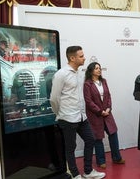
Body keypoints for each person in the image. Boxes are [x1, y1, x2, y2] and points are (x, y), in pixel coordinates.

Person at [50, 46, 105, 179]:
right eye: (81, 56)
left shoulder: (80, 73)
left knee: (91, 139)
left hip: (81, 116)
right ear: (72, 58)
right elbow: (54, 98)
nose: (84, 58)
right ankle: (75, 175)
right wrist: (60, 114)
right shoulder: (61, 74)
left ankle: (88, 171)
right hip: (67, 117)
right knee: (70, 148)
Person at [83, 62, 125, 169]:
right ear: (91, 70)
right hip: (95, 115)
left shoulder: (104, 81)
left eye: (100, 68)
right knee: (98, 138)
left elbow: (109, 96)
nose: (99, 70)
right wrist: (100, 111)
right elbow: (88, 101)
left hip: (107, 113)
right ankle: (100, 161)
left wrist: (108, 108)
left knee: (113, 133)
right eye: (96, 68)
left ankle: (117, 158)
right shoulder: (87, 84)